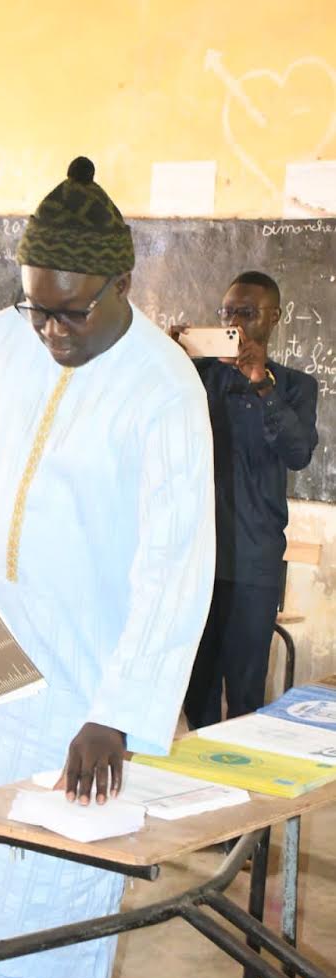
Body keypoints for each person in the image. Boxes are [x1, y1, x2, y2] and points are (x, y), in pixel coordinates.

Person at [0, 158, 216, 978]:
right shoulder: (4, 342)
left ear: (123, 284)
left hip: (82, 699)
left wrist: (119, 712)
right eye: (37, 306)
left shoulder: (163, 388)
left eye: (72, 310)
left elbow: (175, 565)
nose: (51, 330)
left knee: (63, 915)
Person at [176, 272, 318, 729]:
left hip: (254, 563)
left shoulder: (294, 386)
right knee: (196, 690)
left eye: (247, 313)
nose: (235, 322)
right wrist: (168, 360)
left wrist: (262, 383)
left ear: (274, 317)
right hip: (196, 557)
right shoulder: (196, 377)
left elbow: (298, 453)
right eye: (228, 313)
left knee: (245, 694)